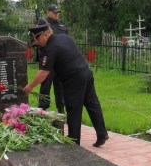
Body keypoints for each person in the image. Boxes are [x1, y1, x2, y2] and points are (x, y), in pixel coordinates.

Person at [23, 19, 109, 147]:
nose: (36, 43)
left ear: (45, 34)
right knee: (92, 104)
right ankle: (102, 134)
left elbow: (43, 73)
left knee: (73, 109)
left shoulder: (50, 48)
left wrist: (30, 86)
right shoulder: (64, 37)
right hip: (86, 73)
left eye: (37, 39)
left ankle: (74, 141)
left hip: (74, 79)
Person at [38, 4, 68, 113]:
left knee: (60, 85)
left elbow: (66, 40)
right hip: (48, 58)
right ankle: (43, 109)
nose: (57, 14)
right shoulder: (43, 24)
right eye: (54, 12)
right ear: (48, 12)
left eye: (58, 12)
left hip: (60, 60)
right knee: (45, 84)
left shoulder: (62, 25)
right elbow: (37, 40)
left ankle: (61, 109)